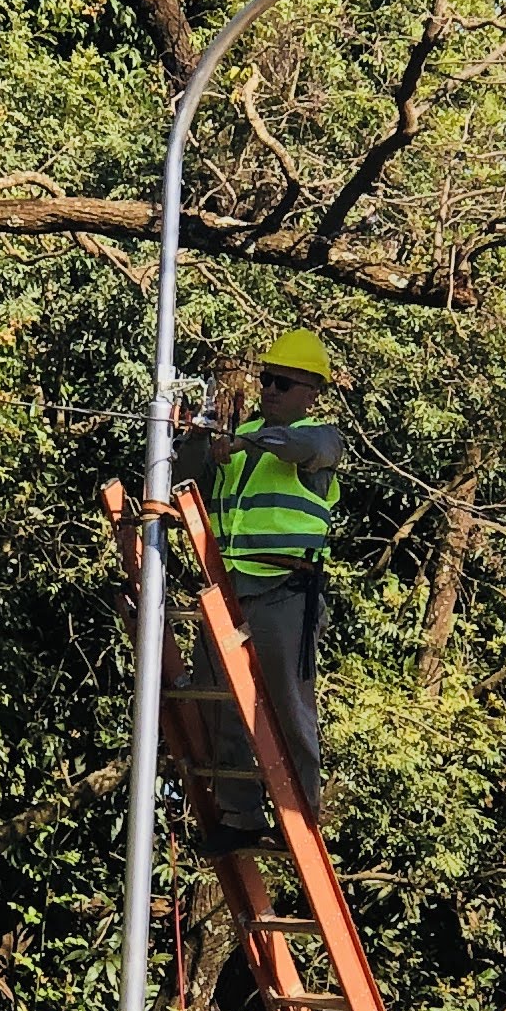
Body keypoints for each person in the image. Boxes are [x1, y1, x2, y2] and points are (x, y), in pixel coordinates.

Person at [180, 326, 345, 838]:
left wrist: (243, 440)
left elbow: (294, 447)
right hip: (231, 589)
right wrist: (198, 437)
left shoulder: (320, 437)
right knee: (219, 700)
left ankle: (301, 814)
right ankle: (240, 815)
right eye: (267, 380)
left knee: (287, 706)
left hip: (285, 590)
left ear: (310, 393)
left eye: (283, 383)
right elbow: (190, 477)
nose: (270, 390)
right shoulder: (238, 442)